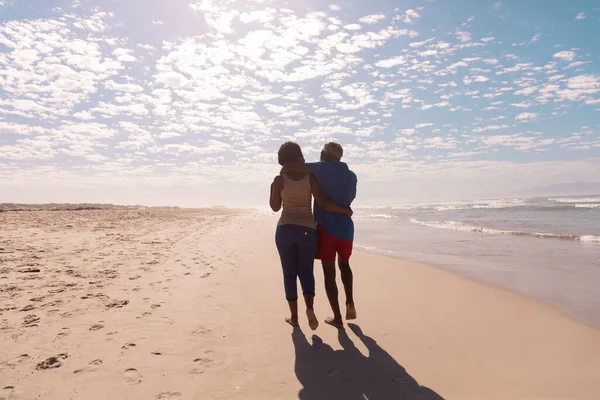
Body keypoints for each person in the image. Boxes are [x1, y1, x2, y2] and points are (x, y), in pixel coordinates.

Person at [270, 142, 353, 331]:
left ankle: (294, 317)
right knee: (306, 272)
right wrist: (345, 210)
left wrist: (275, 186)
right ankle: (310, 308)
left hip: (285, 229)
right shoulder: (311, 178)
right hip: (308, 230)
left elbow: (275, 207)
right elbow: (323, 202)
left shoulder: (279, 180)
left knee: (289, 273)